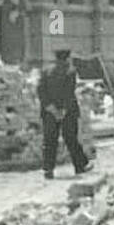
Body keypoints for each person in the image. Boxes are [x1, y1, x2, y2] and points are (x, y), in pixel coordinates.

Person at [37, 49, 91, 179]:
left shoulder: (45, 71)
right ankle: (80, 166)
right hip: (68, 111)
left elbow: (40, 90)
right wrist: (63, 111)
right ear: (67, 58)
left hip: (49, 112)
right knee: (71, 138)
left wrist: (51, 108)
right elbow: (69, 92)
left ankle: (48, 169)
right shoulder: (70, 71)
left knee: (49, 140)